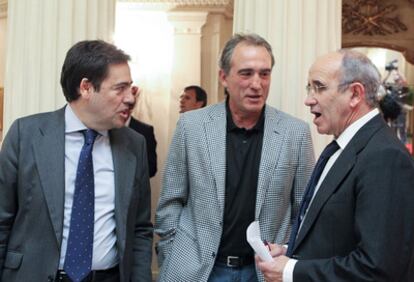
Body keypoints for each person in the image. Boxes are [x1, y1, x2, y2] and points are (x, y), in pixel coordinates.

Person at [155, 33, 315, 282]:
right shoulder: (192, 126)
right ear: (224, 77)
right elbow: (171, 200)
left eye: (264, 74)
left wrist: (285, 252)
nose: (257, 83)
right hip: (199, 271)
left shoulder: (295, 133)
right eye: (246, 73)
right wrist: (172, 253)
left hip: (264, 272)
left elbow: (304, 212)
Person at [0, 40, 153, 282]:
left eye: (130, 88)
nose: (130, 99)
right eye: (120, 88)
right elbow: (2, 218)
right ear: (86, 88)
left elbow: (141, 228)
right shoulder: (26, 135)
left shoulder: (134, 144)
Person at [256, 49, 414, 282]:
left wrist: (291, 271)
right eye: (309, 88)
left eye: (319, 87)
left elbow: (378, 268)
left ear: (354, 94)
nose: (309, 99)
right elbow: (337, 234)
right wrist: (290, 251)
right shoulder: (343, 147)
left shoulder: (385, 157)